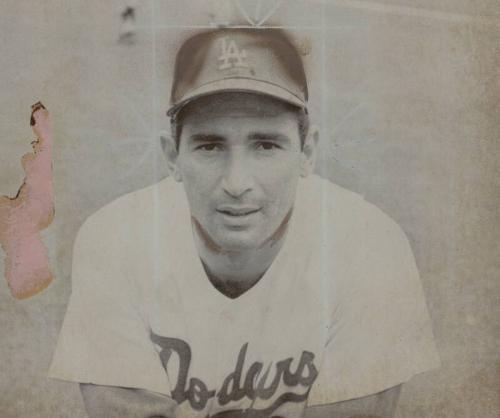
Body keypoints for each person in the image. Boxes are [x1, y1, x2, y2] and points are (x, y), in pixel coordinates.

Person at [49, 28, 440, 418]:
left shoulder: (369, 246)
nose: (237, 183)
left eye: (266, 145)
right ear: (172, 157)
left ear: (307, 152)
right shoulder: (116, 239)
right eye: (210, 146)